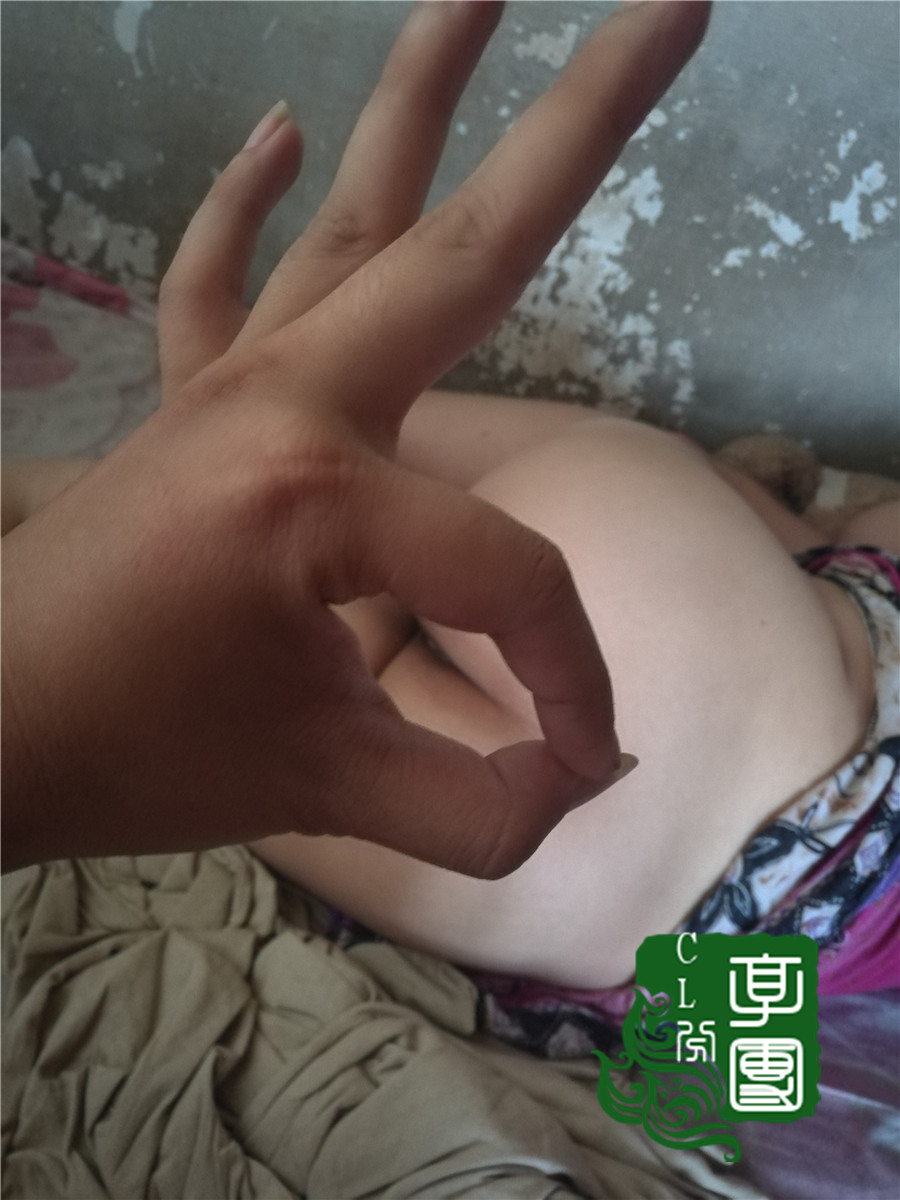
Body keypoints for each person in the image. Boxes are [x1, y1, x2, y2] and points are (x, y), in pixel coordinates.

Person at [3, 1, 898, 1042]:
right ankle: (124, 492)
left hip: (760, 625)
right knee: (291, 616)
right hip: (641, 919)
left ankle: (131, 482)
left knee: (314, 440)